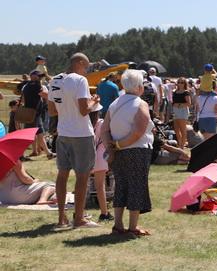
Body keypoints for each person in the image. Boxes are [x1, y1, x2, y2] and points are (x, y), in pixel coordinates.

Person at [47, 53, 100, 230]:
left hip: (63, 132)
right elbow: (84, 110)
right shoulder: (80, 80)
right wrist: (94, 101)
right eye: (86, 66)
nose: (87, 70)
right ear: (80, 63)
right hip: (81, 133)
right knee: (82, 176)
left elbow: (52, 111)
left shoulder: (54, 80)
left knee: (62, 175)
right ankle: (79, 218)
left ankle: (61, 217)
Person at [101, 69, 154, 236]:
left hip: (118, 152)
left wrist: (111, 147)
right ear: (139, 87)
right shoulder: (140, 104)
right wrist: (119, 144)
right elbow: (138, 132)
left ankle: (118, 225)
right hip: (137, 150)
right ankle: (133, 227)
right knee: (136, 187)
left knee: (121, 186)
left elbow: (104, 129)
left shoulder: (114, 104)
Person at [20, 69, 54, 159]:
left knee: (40, 134)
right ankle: (20, 155)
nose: (41, 78)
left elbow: (23, 99)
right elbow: (45, 94)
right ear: (33, 76)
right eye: (39, 76)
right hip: (33, 114)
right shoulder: (35, 85)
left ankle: (49, 153)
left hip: (34, 114)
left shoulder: (27, 85)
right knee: (27, 136)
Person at [92, 107, 112, 221]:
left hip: (86, 156)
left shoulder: (84, 123)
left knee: (83, 185)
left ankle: (79, 212)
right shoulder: (101, 123)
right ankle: (104, 212)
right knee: (100, 186)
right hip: (100, 156)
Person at [172, 77, 192, 149]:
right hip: (175, 111)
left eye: (182, 82)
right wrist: (174, 105)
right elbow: (173, 102)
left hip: (183, 111)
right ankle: (179, 144)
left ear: (185, 84)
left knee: (183, 130)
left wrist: (180, 105)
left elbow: (189, 103)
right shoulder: (175, 92)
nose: (180, 84)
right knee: (176, 129)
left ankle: (182, 146)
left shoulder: (186, 92)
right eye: (179, 82)